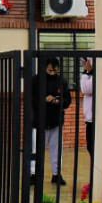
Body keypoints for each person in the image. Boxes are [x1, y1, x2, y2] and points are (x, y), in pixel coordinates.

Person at [42, 57, 70, 185]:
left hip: (56, 120)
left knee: (56, 149)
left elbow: (67, 101)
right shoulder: (38, 80)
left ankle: (56, 174)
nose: (52, 72)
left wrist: (57, 101)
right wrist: (44, 99)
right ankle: (33, 174)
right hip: (40, 121)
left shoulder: (62, 82)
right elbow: (33, 98)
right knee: (36, 150)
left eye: (54, 69)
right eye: (49, 70)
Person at [81, 57, 95, 166]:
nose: (84, 64)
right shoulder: (90, 76)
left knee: (93, 148)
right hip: (90, 119)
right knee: (90, 148)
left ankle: (96, 179)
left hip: (95, 120)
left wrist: (86, 72)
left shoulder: (95, 75)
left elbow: (86, 89)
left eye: (87, 62)